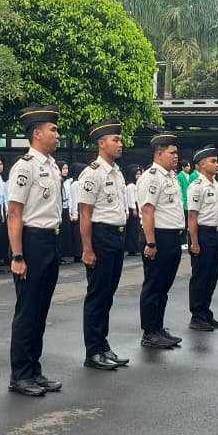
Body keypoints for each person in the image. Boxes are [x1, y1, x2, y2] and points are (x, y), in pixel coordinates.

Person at [6, 106, 65, 397]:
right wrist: (18, 256)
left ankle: (34, 369)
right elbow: (14, 213)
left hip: (51, 240)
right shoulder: (25, 166)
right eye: (53, 129)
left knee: (41, 311)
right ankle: (20, 375)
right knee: (27, 311)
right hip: (31, 242)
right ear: (37, 133)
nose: (58, 134)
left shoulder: (52, 166)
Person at [75, 121, 132, 371]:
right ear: (101, 143)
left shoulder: (117, 172)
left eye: (120, 140)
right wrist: (87, 249)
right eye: (115, 140)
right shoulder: (92, 173)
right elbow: (85, 213)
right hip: (101, 236)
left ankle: (103, 344)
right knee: (97, 295)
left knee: (108, 294)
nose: (120, 144)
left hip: (117, 236)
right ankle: (93, 351)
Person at [137, 133, 185, 349]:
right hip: (158, 237)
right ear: (159, 154)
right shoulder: (152, 177)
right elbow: (148, 211)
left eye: (176, 153)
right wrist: (151, 243)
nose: (176, 156)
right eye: (172, 153)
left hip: (172, 237)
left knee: (164, 286)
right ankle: (149, 332)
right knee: (153, 286)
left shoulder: (171, 177)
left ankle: (158, 327)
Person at [186, 146, 218, 332]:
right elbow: (192, 216)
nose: (217, 164)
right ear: (202, 164)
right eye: (213, 161)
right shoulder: (197, 186)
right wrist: (194, 242)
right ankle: (197, 316)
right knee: (200, 276)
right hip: (202, 233)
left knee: (212, 276)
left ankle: (205, 311)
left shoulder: (216, 185)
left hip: (216, 233)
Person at [124, 165, 143, 256]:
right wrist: (134, 208)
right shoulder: (130, 186)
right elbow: (130, 198)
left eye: (140, 174)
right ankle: (132, 248)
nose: (139, 175)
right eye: (137, 174)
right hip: (132, 208)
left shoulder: (137, 185)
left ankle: (136, 247)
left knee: (137, 229)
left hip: (137, 207)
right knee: (133, 229)